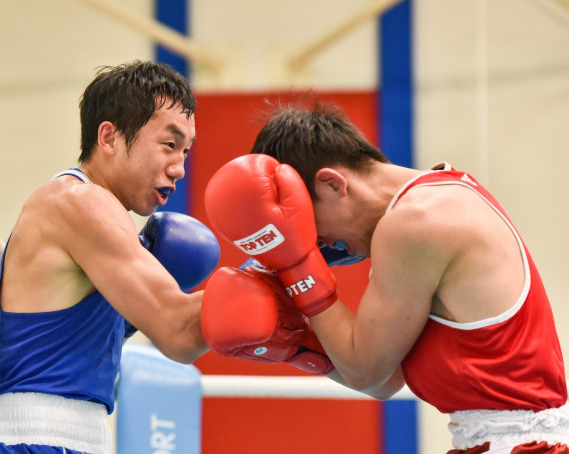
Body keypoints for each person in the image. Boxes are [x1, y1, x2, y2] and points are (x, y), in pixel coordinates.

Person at [201, 100, 569, 454]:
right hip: (497, 441)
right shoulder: (434, 195)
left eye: (312, 229)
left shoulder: (416, 221)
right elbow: (385, 380)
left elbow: (365, 369)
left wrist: (298, 267)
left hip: (521, 444)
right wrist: (293, 342)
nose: (321, 244)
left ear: (332, 184)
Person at [0, 61, 219, 454]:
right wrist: (278, 274)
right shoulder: (80, 202)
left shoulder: (100, 220)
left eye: (186, 151)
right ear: (109, 137)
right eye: (169, 144)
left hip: (60, 438)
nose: (179, 167)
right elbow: (179, 332)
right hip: (38, 440)